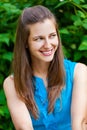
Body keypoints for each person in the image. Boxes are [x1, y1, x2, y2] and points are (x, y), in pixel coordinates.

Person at [3, 5, 87, 130]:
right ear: (25, 42)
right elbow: (24, 128)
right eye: (39, 39)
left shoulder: (79, 72)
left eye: (52, 36)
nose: (48, 45)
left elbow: (79, 124)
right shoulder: (12, 83)